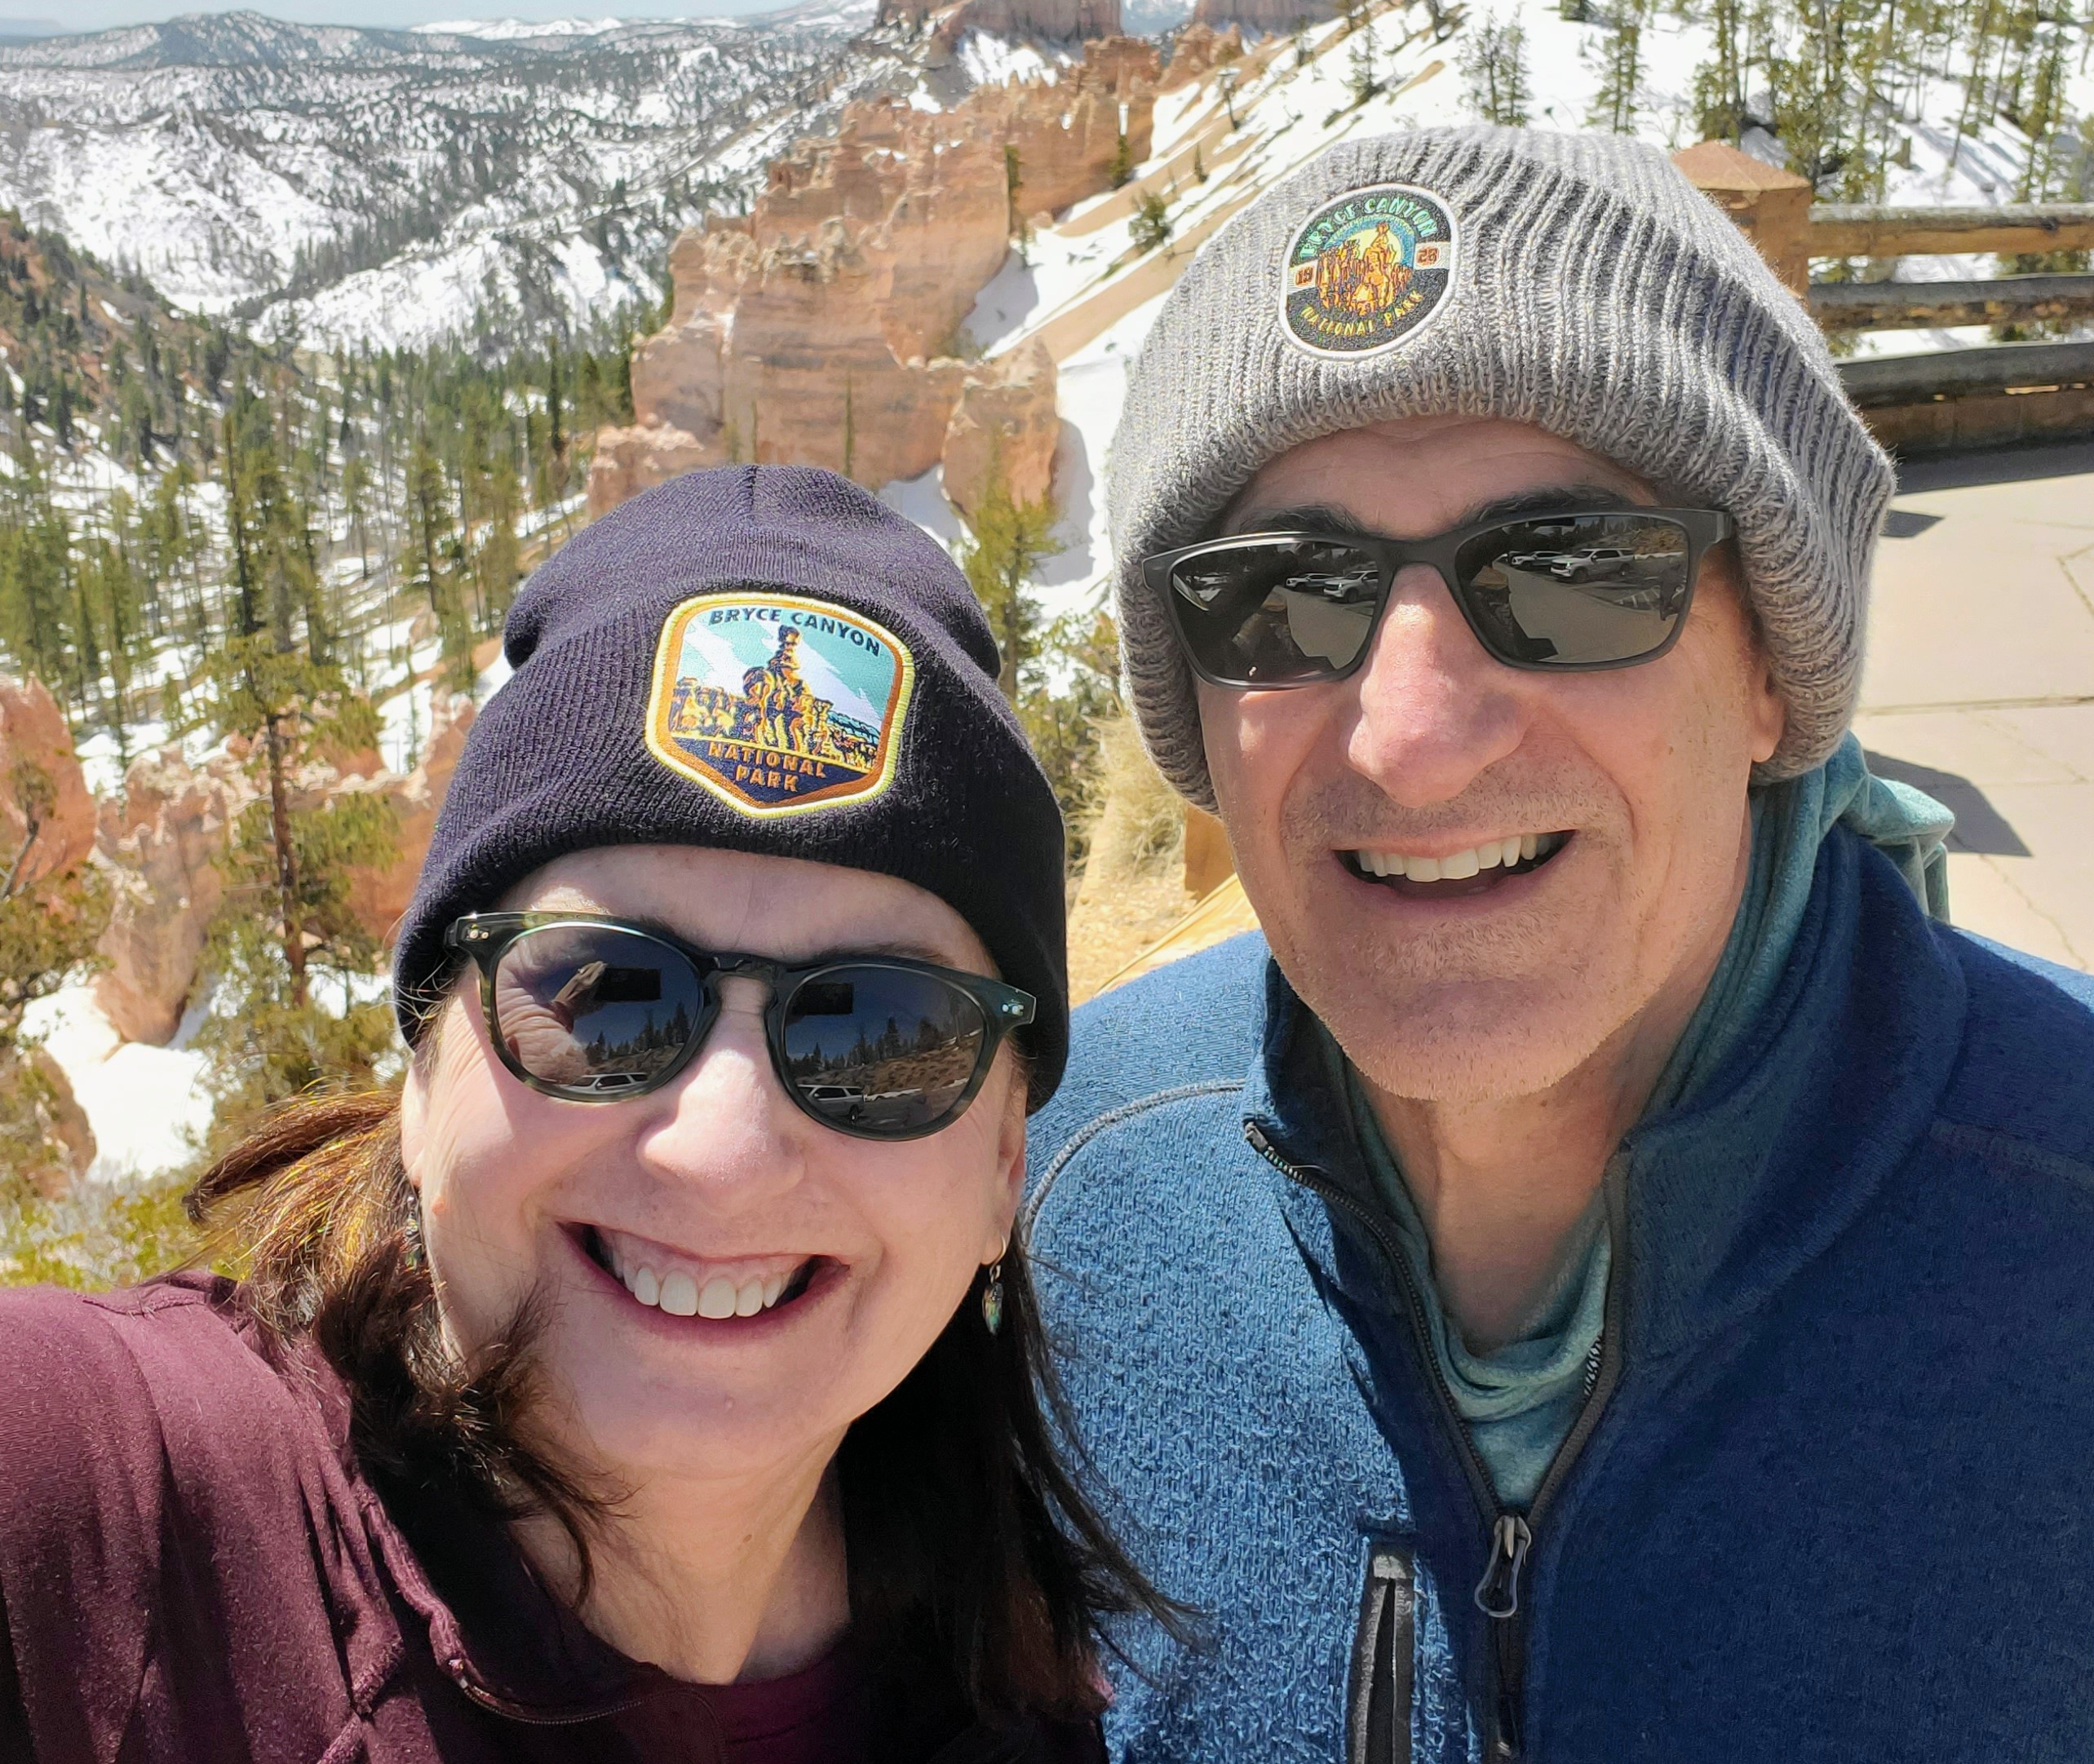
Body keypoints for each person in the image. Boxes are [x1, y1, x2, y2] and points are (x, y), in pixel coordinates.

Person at [1027, 127, 2094, 1762]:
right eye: (1282, 598)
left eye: (1571, 575)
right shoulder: (1064, 1191)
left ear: (1771, 672)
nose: (1412, 740)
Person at [0, 466, 1167, 1762]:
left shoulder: (1023, 1697)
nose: (722, 1151)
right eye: (607, 997)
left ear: (1004, 1161)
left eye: (875, 1033)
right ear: (423, 1065)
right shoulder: (87, 1500)